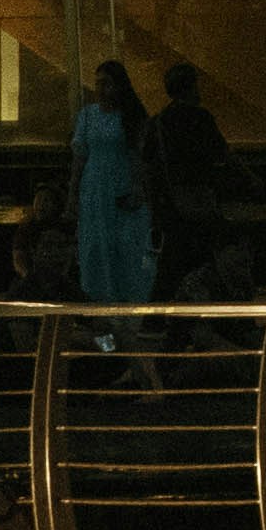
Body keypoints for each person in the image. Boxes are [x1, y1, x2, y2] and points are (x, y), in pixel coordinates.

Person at [73, 59, 160, 329]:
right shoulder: (87, 115)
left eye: (107, 84)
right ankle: (101, 310)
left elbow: (140, 157)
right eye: (98, 83)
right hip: (95, 189)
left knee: (127, 247)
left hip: (122, 187)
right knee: (97, 247)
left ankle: (130, 312)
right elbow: (79, 156)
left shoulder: (131, 116)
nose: (101, 89)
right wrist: (72, 195)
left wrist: (139, 189)